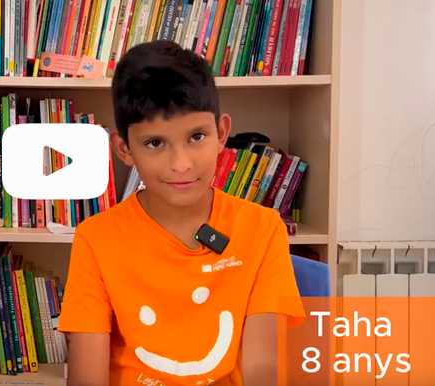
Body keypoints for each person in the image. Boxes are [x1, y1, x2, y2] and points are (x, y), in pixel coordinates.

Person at [58, 41, 305, 386]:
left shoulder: (262, 229)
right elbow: (88, 378)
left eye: (196, 137)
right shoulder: (96, 239)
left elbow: (262, 370)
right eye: (155, 143)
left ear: (221, 133)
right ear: (124, 149)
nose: (181, 164)